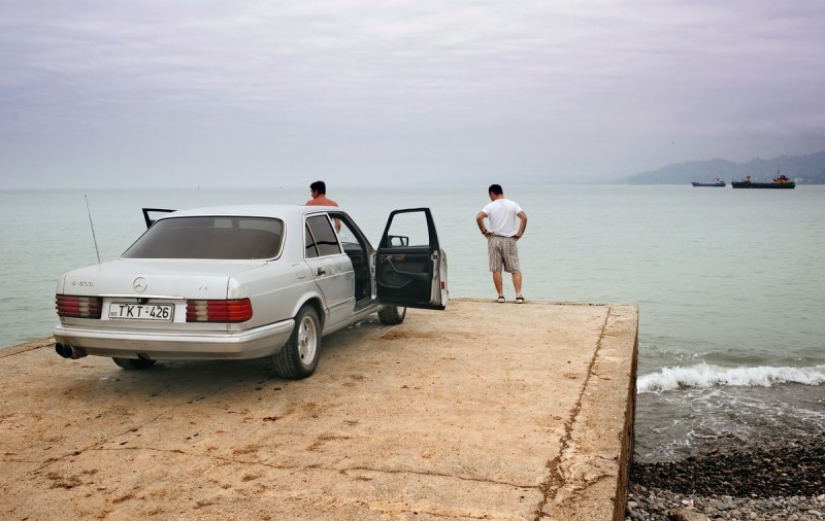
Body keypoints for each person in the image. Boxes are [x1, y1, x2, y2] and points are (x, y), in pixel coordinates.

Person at [476, 184, 528, 303]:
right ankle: (518, 295)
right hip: (509, 239)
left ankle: (500, 296)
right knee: (515, 268)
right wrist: (520, 233)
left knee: (496, 269)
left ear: (492, 194)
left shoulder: (490, 206)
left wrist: (484, 231)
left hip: (494, 239)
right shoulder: (512, 204)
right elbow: (524, 218)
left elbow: (479, 217)